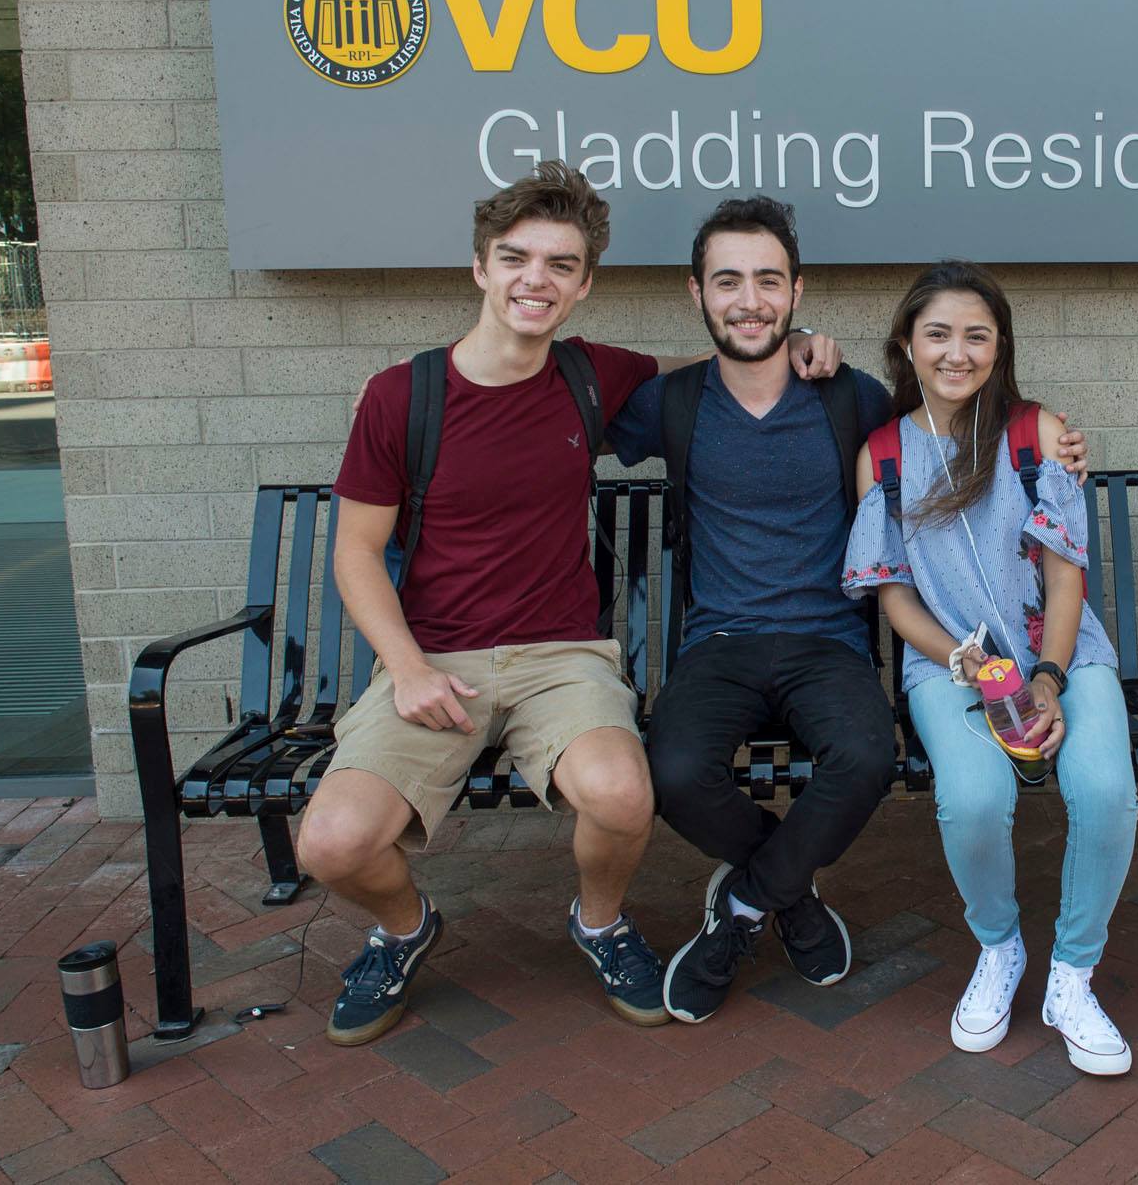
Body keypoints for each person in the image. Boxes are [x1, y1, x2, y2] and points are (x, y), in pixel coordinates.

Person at [301, 163, 837, 1045]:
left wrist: (803, 338)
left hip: (565, 657)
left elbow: (720, 366)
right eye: (517, 258)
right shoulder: (405, 396)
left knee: (626, 793)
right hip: (437, 660)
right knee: (330, 842)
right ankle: (403, 929)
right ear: (481, 267)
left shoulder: (592, 378)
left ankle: (600, 923)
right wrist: (403, 667)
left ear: (584, 284)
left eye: (560, 265)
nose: (535, 280)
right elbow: (356, 551)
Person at [605, 197, 1089, 1025]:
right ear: (697, 294)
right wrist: (406, 387)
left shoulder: (849, 397)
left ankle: (745, 907)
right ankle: (787, 895)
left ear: (797, 290)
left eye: (767, 280)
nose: (748, 299)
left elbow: (958, 410)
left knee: (866, 759)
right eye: (728, 282)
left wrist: (1058, 443)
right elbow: (557, 400)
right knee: (673, 772)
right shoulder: (671, 403)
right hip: (719, 640)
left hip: (828, 641)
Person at [842, 260, 1137, 1076]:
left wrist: (1046, 676)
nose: (956, 352)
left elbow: (1066, 572)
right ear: (908, 342)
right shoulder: (884, 456)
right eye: (938, 333)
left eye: (977, 334)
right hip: (948, 664)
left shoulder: (1035, 432)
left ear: (1000, 344)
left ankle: (1072, 974)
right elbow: (894, 600)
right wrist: (960, 659)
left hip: (1062, 650)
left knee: (1107, 790)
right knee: (973, 797)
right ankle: (999, 947)